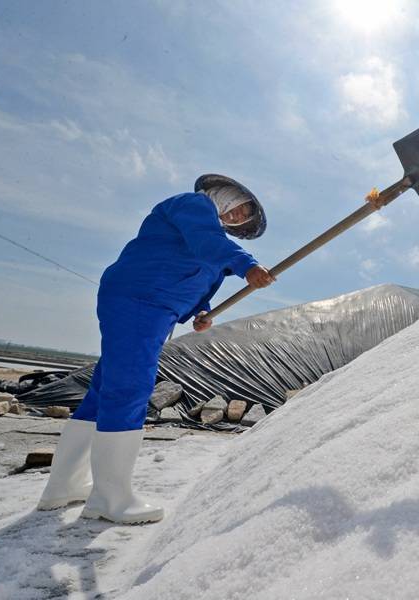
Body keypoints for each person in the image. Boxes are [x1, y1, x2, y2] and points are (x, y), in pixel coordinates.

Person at [37, 174, 274, 524]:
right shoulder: (194, 206)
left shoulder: (212, 238)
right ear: (228, 194)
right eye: (242, 209)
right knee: (130, 388)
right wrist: (247, 265)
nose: (241, 218)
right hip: (140, 299)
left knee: (104, 392)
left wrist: (202, 312)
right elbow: (207, 244)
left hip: (156, 309)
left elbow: (200, 281)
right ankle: (110, 497)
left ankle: (63, 486)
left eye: (245, 218)